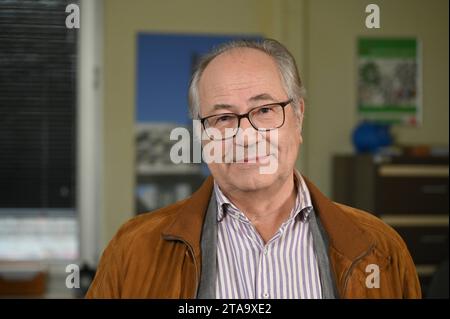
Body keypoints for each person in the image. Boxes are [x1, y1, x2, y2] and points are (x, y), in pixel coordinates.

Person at [86, 39, 421, 299]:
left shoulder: (382, 249)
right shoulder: (132, 251)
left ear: (298, 117)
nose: (245, 136)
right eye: (222, 118)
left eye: (264, 110)